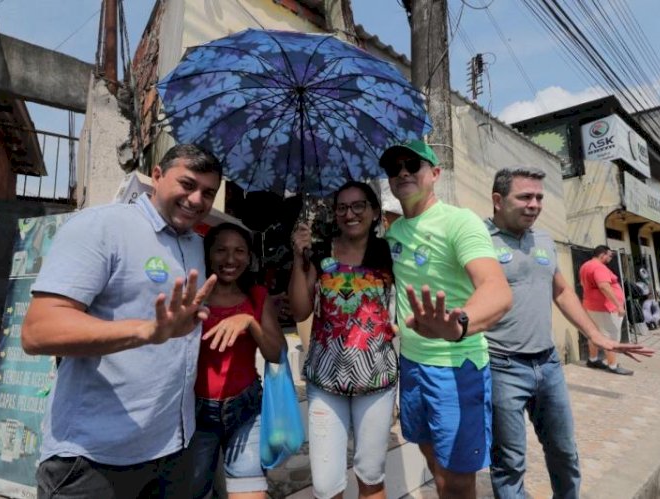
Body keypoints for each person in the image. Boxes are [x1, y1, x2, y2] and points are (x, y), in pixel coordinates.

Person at [22, 144, 222, 498]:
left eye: (208, 193)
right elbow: (39, 331)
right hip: (94, 457)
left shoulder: (194, 244)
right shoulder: (102, 226)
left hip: (174, 449)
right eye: (187, 184)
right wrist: (145, 331)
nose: (196, 200)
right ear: (157, 177)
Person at [484, 167, 654, 498]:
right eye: (525, 197)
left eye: (539, 198)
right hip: (501, 365)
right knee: (509, 462)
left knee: (564, 452)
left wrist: (596, 335)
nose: (534, 204)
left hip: (548, 365)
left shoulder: (543, 239)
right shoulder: (477, 239)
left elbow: (561, 291)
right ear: (497, 200)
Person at [380, 140, 512, 499]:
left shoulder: (460, 221)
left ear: (435, 174)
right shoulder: (393, 233)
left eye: (413, 164)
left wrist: (458, 325)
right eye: (395, 168)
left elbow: (497, 290)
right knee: (434, 462)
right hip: (411, 365)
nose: (403, 171)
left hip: (457, 366)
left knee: (456, 479)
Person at [288, 181, 397, 499]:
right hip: (325, 381)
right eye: (342, 207)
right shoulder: (320, 252)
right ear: (334, 214)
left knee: (371, 474)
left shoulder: (388, 253)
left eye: (358, 206)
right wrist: (299, 257)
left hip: (376, 380)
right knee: (325, 485)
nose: (350, 213)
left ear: (374, 211)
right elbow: (300, 309)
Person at [190, 223, 286, 499]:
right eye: (221, 250)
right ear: (208, 254)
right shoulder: (193, 295)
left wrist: (250, 323)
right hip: (193, 415)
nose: (230, 260)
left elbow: (275, 353)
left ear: (249, 257)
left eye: (239, 251)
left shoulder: (256, 296)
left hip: (246, 411)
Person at [579, 245, 635, 375]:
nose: (611, 258)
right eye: (610, 255)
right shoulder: (599, 267)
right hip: (605, 308)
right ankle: (613, 366)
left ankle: (593, 359)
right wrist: (619, 305)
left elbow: (583, 284)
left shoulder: (585, 266)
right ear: (602, 254)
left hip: (591, 306)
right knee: (611, 336)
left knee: (594, 333)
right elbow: (604, 286)